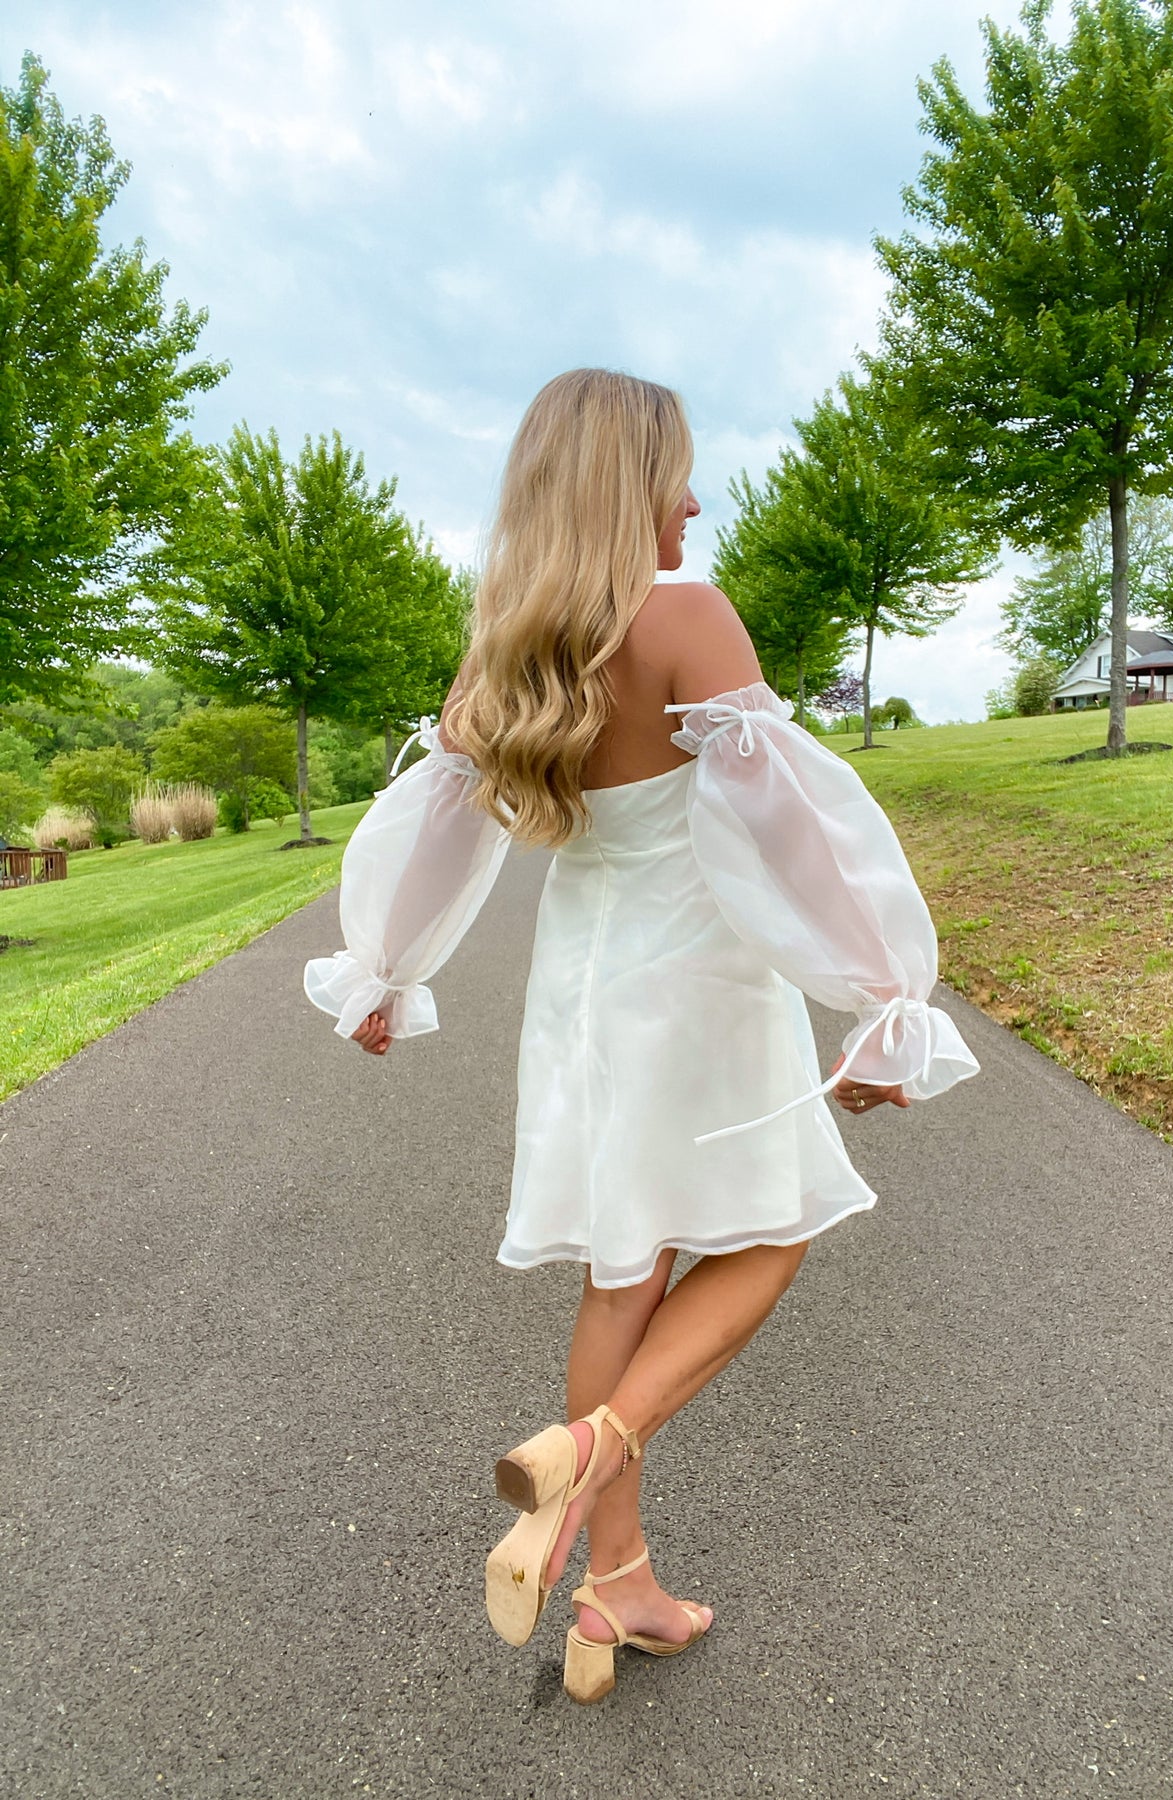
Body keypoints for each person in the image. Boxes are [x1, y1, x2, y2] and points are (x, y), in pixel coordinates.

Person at [304, 368, 978, 1704]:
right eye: (677, 473)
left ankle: (616, 1589)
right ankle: (588, 1451)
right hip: (701, 987)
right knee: (772, 1233)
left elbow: (434, 830)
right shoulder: (685, 619)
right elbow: (798, 831)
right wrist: (884, 1002)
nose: (694, 501)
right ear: (626, 485)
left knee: (624, 1274)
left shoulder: (508, 646)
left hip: (581, 996)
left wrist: (383, 969)